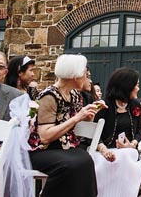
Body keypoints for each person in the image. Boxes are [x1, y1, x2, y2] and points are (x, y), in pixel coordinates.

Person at [27, 54, 98, 197]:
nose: (87, 78)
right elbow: (45, 136)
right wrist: (77, 118)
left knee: (86, 160)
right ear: (75, 75)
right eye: (85, 74)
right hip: (41, 150)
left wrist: (87, 117)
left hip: (64, 147)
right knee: (69, 165)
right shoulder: (49, 96)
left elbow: (72, 124)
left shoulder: (74, 95)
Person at [93, 67, 141, 197]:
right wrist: (104, 150)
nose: (138, 88)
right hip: (103, 150)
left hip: (127, 150)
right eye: (136, 85)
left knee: (127, 155)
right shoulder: (104, 105)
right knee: (109, 160)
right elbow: (94, 134)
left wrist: (132, 144)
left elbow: (139, 131)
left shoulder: (136, 105)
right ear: (126, 86)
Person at [0, 50, 24, 166]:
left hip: (4, 152)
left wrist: (2, 149)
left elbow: (20, 130)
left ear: (5, 72)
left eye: (1, 67)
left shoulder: (16, 96)